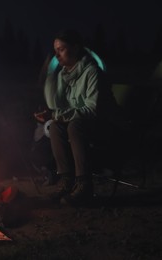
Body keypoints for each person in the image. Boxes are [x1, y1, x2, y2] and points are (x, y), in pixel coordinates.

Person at [35, 29, 113, 206]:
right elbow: (67, 108)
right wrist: (50, 114)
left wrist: (57, 114)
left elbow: (93, 110)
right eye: (55, 50)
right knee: (55, 126)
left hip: (104, 125)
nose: (57, 54)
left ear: (76, 48)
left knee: (74, 125)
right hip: (82, 125)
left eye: (61, 49)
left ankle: (84, 184)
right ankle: (66, 180)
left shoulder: (92, 72)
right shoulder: (65, 75)